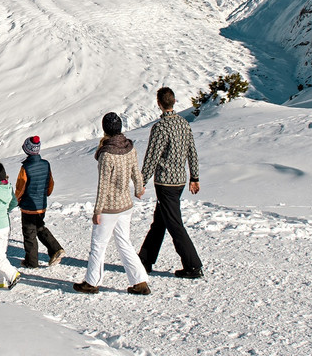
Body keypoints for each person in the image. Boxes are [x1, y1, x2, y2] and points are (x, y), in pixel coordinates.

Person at [73, 112, 150, 295]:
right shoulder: (129, 147)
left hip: (109, 207)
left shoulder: (107, 154)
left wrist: (97, 210)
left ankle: (92, 282)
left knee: (98, 245)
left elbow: (103, 186)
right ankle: (140, 281)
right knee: (124, 242)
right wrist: (139, 188)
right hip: (125, 205)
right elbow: (135, 172)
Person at [137, 86, 204, 279]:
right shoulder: (184, 124)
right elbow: (192, 151)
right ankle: (144, 259)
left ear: (159, 103)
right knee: (160, 220)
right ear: (174, 101)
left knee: (174, 223)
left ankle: (193, 265)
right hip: (180, 181)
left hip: (165, 182)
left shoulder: (160, 127)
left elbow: (151, 157)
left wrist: (141, 182)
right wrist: (195, 177)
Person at [15, 136, 65, 268]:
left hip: (28, 207)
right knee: (39, 227)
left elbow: (21, 188)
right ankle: (56, 249)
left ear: (27, 150)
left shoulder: (25, 168)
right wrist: (45, 194)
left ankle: (31, 262)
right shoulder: (45, 164)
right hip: (41, 205)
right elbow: (50, 183)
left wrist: (16, 200)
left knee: (29, 233)